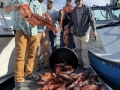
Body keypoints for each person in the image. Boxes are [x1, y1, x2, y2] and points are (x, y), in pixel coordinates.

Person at [2, 0, 43, 90]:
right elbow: (5, 10)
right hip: (20, 29)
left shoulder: (36, 2)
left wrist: (38, 19)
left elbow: (39, 16)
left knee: (32, 54)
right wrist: (12, 7)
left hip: (34, 31)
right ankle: (18, 80)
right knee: (20, 56)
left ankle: (28, 73)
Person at [64, 0, 97, 71]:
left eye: (78, 0)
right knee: (78, 49)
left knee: (84, 50)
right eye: (76, 1)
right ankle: (79, 63)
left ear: (82, 1)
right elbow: (71, 21)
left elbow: (91, 20)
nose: (77, 2)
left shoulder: (87, 8)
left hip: (84, 33)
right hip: (76, 34)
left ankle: (86, 66)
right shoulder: (73, 10)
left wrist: (94, 30)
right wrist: (68, 26)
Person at [34, 0, 50, 71]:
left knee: (46, 48)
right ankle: (36, 65)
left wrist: (47, 17)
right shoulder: (33, 3)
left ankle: (47, 64)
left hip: (45, 30)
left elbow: (46, 16)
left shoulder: (44, 6)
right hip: (36, 30)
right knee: (36, 49)